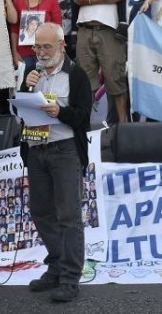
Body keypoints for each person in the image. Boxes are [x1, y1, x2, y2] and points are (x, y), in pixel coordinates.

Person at [19, 22, 92, 303]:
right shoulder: (31, 73)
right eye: (37, 46)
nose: (41, 52)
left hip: (64, 150)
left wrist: (60, 111)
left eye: (47, 46)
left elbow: (83, 117)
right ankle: (57, 265)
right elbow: (20, 109)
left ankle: (70, 278)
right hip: (36, 148)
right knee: (41, 212)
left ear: (62, 45)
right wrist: (26, 89)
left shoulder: (76, 75)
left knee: (68, 216)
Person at [70, 0, 137, 124]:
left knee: (116, 83)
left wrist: (91, 0)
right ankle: (84, 130)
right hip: (84, 30)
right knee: (85, 84)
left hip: (109, 32)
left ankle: (123, 129)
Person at [10, 0, 62, 69]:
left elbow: (58, 26)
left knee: (46, 79)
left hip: (46, 51)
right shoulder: (18, 1)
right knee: (26, 79)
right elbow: (14, 29)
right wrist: (14, 52)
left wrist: (58, 50)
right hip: (24, 53)